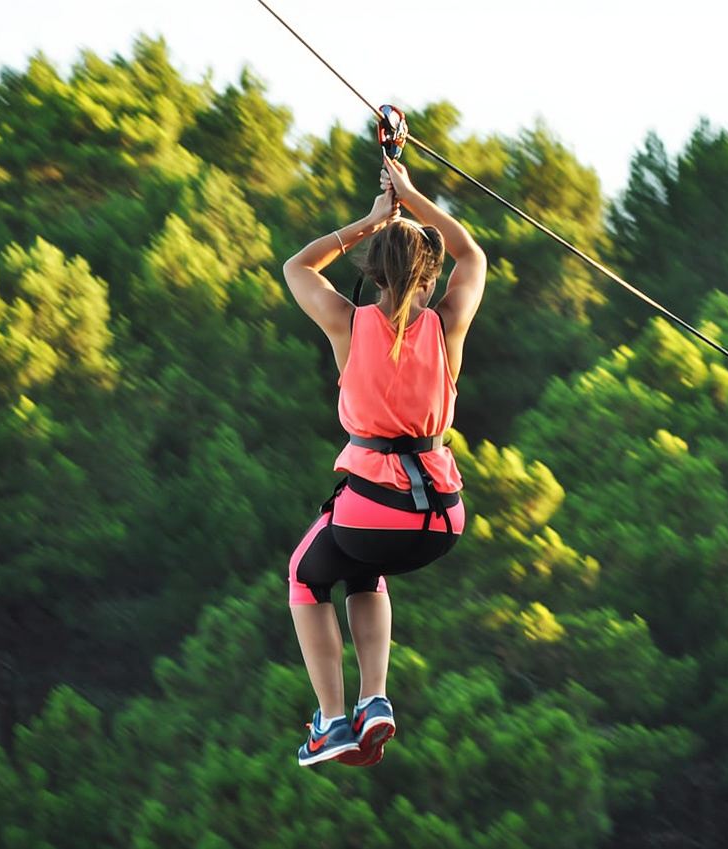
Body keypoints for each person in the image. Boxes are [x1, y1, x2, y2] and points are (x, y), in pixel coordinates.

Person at [280, 153, 487, 766]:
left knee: (305, 576)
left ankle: (331, 721)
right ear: (429, 279)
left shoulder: (347, 324)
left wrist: (371, 221)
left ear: (373, 276)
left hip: (374, 512)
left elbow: (297, 267)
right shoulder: (448, 326)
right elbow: (471, 254)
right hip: (443, 519)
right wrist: (412, 196)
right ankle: (374, 700)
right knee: (363, 572)